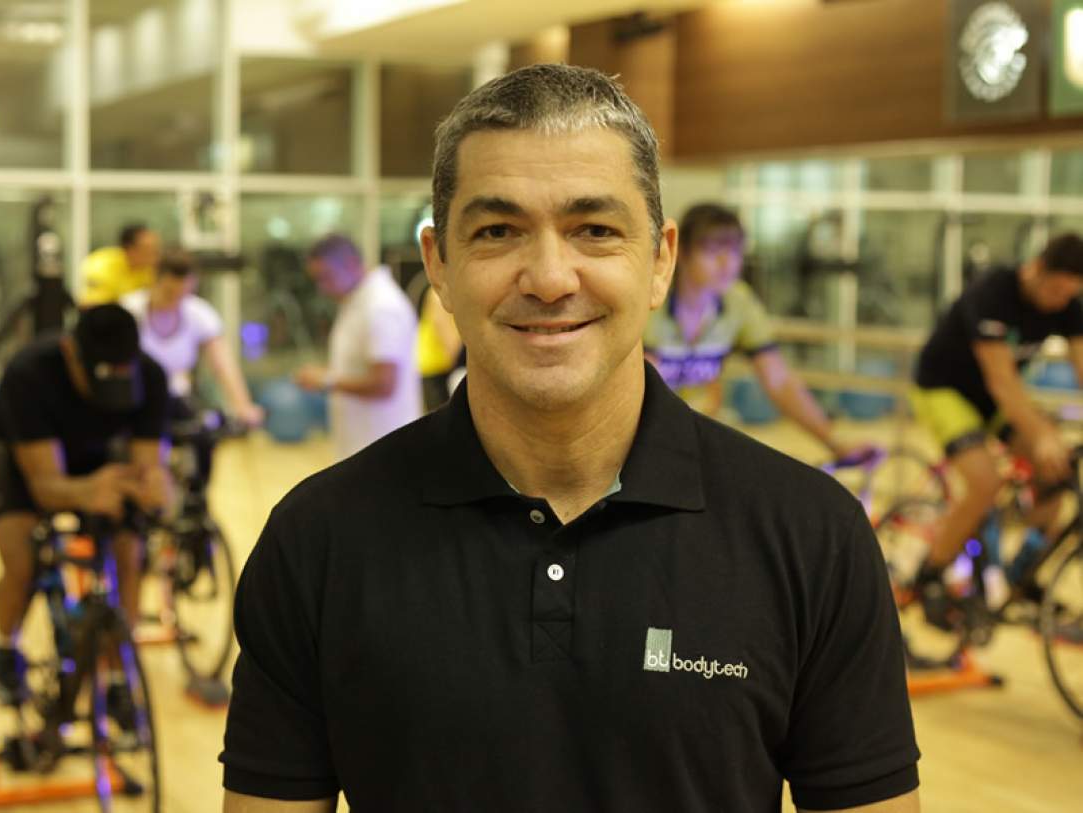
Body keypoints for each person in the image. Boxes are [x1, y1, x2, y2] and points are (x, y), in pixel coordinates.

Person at [221, 64, 919, 812]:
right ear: (439, 267)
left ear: (660, 261)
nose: (550, 278)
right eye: (497, 232)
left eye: (595, 230)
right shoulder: (317, 541)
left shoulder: (811, 537)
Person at [0, 304, 172, 707]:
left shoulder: (151, 376)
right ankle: (6, 647)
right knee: (22, 561)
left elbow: (148, 467)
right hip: (23, 456)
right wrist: (88, 492)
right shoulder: (29, 375)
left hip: (97, 455)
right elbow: (44, 487)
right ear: (71, 352)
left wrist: (153, 488)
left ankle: (118, 671)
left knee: (129, 551)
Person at [909, 234, 1083, 612]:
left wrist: (1046, 440)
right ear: (1036, 268)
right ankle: (929, 575)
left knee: (1057, 470)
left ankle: (1024, 575)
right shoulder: (993, 292)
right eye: (1055, 290)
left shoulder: (1068, 304)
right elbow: (1001, 380)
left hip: (994, 401)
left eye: (1069, 294)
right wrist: (1040, 434)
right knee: (984, 482)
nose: (1060, 301)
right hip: (944, 390)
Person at [645, 203, 863, 460]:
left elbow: (779, 381)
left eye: (735, 251)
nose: (727, 263)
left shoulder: (738, 302)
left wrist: (835, 443)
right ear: (680, 252)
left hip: (692, 440)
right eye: (712, 250)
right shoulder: (649, 301)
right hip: (644, 440)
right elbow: (643, 394)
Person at [121, 251, 264, 496]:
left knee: (203, 438)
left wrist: (243, 405)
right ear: (157, 281)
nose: (176, 300)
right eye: (170, 292)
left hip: (176, 399)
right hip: (135, 399)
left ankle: (196, 498)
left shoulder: (198, 313)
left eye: (184, 293)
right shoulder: (130, 310)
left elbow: (223, 364)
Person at [295, 235, 422, 460]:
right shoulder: (357, 301)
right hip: (363, 444)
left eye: (326, 277)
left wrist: (326, 380)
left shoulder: (381, 306)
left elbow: (385, 384)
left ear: (352, 264)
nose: (322, 288)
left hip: (384, 447)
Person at [79, 223, 161, 306]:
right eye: (148, 249)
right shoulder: (102, 265)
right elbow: (89, 304)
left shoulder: (150, 270)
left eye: (156, 248)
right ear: (130, 249)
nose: (155, 254)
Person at [415, 284, 463, 411]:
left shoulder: (449, 293)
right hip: (436, 371)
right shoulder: (439, 295)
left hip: (443, 368)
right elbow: (451, 345)